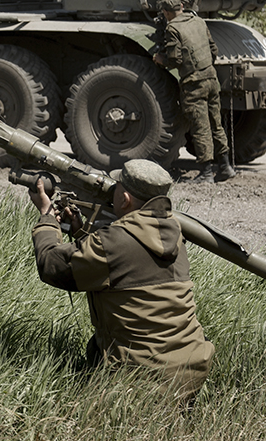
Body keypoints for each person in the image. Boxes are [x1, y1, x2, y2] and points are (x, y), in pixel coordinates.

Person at [29, 159, 214, 397]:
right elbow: (122, 267)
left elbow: (51, 265)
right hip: (191, 365)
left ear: (125, 199)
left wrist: (46, 218)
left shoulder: (112, 243)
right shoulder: (172, 231)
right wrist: (80, 231)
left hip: (145, 376)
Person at [152, 0, 235, 183]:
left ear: (166, 12)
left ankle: (206, 172)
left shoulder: (172, 29)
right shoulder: (199, 21)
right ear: (181, 7)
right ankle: (225, 166)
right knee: (216, 123)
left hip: (194, 83)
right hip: (211, 78)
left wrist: (159, 59)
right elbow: (213, 49)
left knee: (200, 126)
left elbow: (175, 60)